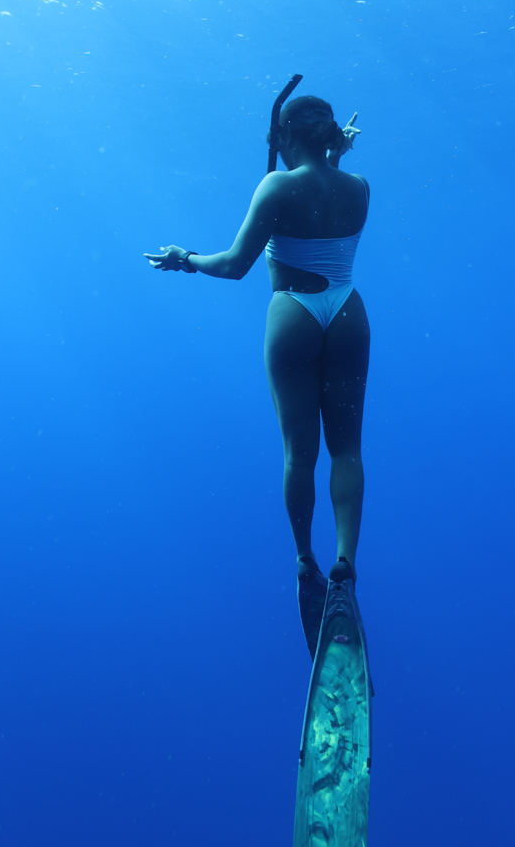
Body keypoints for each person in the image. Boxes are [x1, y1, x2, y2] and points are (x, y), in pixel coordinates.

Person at [145, 96, 369, 657]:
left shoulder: (276, 188)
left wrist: (185, 257)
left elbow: (234, 265)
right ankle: (345, 559)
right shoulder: (359, 187)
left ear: (284, 137)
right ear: (330, 138)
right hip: (347, 311)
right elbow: (325, 182)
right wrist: (332, 151)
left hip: (293, 309)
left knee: (300, 454)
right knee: (347, 452)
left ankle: (305, 560)